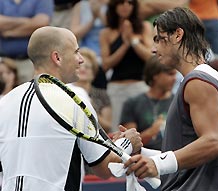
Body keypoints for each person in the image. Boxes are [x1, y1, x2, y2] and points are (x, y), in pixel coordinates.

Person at [0, 26, 142, 191]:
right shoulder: (75, 97)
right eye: (76, 52)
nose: (81, 59)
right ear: (57, 58)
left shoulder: (5, 102)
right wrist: (127, 142)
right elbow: (105, 168)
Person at [124, 7, 218, 191]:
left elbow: (213, 143)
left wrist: (158, 164)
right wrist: (141, 153)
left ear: (177, 35)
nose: (153, 49)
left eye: (158, 39)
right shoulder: (202, 78)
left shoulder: (197, 81)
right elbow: (186, 155)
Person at [100, 0, 153, 132]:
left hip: (140, 84)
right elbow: (106, 64)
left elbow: (150, 57)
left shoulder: (144, 27)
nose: (125, 6)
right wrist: (124, 44)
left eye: (130, 3)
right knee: (117, 129)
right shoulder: (106, 32)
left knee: (144, 127)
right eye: (121, 3)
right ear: (115, 6)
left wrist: (133, 41)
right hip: (117, 87)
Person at [120, 56, 176, 150]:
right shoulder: (132, 103)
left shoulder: (179, 101)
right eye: (170, 74)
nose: (174, 78)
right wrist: (152, 131)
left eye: (175, 74)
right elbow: (130, 144)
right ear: (155, 75)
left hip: (173, 157)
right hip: (143, 158)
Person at [0, 0, 54, 84]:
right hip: (4, 61)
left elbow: (41, 22)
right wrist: (28, 21)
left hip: (30, 62)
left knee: (31, 92)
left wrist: (9, 32)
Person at [70, 47, 112, 134]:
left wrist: (89, 108)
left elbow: (107, 127)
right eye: (80, 66)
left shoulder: (101, 94)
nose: (82, 69)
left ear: (94, 72)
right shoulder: (66, 91)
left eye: (87, 67)